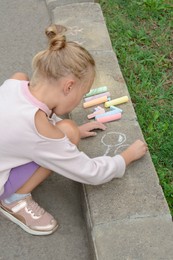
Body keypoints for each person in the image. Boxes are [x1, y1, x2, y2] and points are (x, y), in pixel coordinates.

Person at [0, 24, 148, 236]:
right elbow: (91, 173)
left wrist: (73, 130)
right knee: (67, 132)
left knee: (69, 130)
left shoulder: (17, 81)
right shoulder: (39, 130)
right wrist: (125, 158)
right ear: (69, 86)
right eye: (82, 94)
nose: (79, 102)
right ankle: (14, 200)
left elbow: (23, 126)